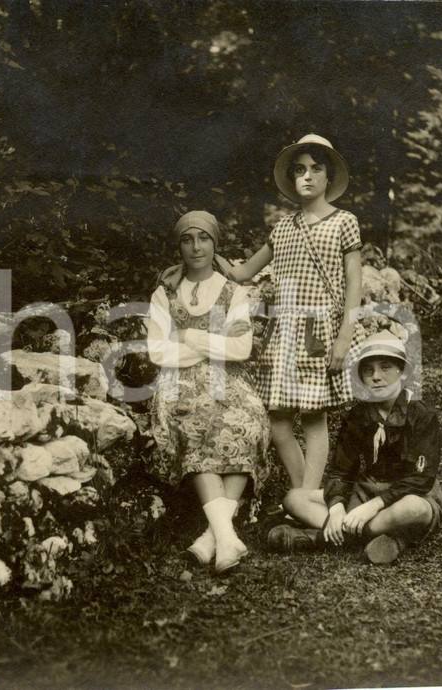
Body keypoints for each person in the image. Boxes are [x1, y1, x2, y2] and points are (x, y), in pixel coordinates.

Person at [162, 134, 363, 506]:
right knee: (278, 421)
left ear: (328, 177)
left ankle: (304, 497)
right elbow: (241, 273)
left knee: (313, 418)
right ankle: (307, 495)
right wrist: (183, 265)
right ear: (292, 178)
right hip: (282, 332)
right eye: (299, 170)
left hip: (319, 330)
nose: (307, 176)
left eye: (316, 169)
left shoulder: (344, 223)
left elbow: (354, 286)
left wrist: (344, 337)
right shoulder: (284, 227)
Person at [146, 210, 271, 574]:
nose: (196, 246)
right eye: (187, 239)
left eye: (203, 238)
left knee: (246, 422)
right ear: (179, 246)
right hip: (178, 385)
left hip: (228, 380)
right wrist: (215, 342)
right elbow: (158, 352)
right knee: (199, 422)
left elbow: (241, 350)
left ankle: (213, 538)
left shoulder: (233, 291)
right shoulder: (163, 293)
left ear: (215, 243)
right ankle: (226, 536)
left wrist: (188, 337)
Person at [268, 332, 442, 564]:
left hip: (408, 495)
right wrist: (336, 509)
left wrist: (373, 507)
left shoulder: (422, 416)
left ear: (402, 373)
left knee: (415, 510)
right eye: (368, 370)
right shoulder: (357, 416)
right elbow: (341, 471)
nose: (376, 377)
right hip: (367, 489)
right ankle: (379, 536)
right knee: (294, 499)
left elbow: (421, 480)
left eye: (385, 368)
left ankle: (321, 538)